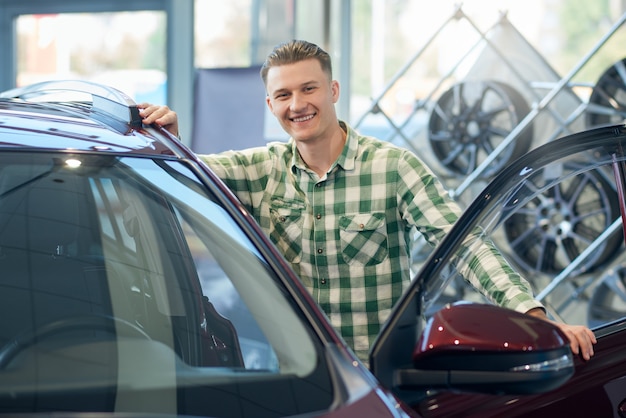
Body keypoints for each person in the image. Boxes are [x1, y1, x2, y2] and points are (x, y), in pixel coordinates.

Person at [139, 39, 596, 364]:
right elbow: (183, 173)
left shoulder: (394, 168)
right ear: (270, 103)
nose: (297, 104)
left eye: (308, 89)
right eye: (283, 94)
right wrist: (168, 140)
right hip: (302, 374)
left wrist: (536, 318)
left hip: (382, 373)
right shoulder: (261, 169)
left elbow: (467, 247)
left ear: (332, 91)